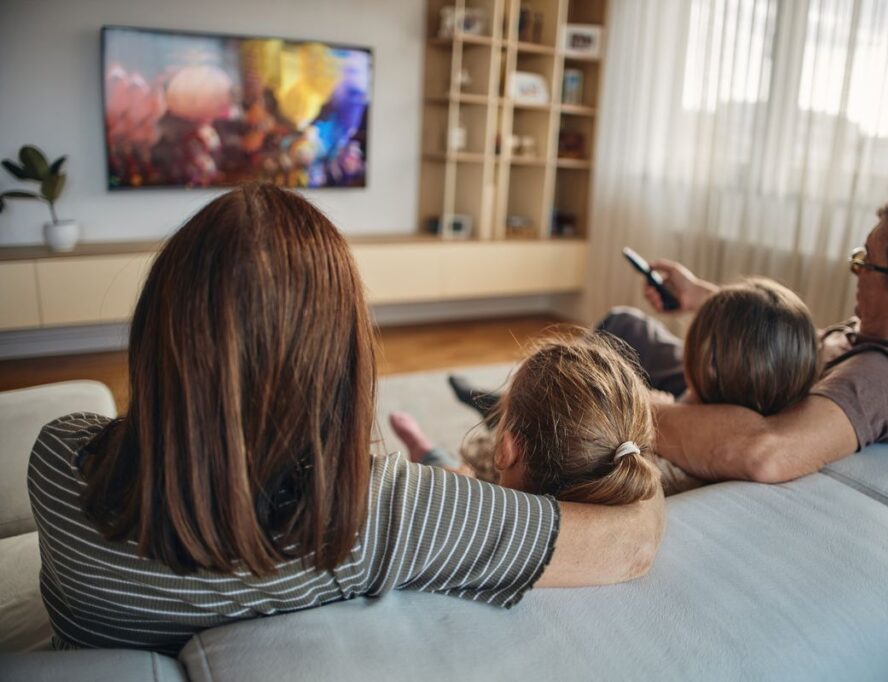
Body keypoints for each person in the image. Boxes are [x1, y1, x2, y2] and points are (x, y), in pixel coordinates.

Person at [26, 184, 664, 656]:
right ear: (340, 363)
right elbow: (631, 544)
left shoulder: (57, 462)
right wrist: (641, 435)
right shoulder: (373, 511)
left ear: (158, 331)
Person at [618, 193, 888, 483]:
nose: (857, 271)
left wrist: (630, 406)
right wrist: (704, 298)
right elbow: (801, 342)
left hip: (738, 387)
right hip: (754, 369)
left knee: (620, 334)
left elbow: (766, 453)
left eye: (867, 263)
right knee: (628, 325)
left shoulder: (883, 381)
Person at [445, 279, 821, 494]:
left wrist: (648, 407)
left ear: (705, 360)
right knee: (624, 323)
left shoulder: (654, 441)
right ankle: (508, 408)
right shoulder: (786, 391)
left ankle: (515, 413)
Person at [391, 332, 662, 503]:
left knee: (445, 471)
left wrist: (458, 480)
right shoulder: (633, 509)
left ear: (505, 450)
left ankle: (423, 449)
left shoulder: (472, 510)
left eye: (503, 413)